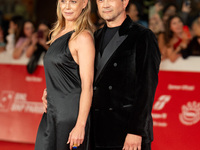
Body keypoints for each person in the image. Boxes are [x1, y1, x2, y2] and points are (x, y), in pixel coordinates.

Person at [43, 0, 160, 149]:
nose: (105, 4)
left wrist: (136, 131)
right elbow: (80, 81)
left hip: (126, 132)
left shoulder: (143, 36)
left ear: (125, 2)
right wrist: (52, 93)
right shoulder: (94, 36)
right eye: (100, 0)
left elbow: (146, 89)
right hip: (96, 130)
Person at [35, 0, 95, 150]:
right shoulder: (57, 33)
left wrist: (80, 125)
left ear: (84, 4)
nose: (67, 6)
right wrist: (49, 90)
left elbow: (87, 86)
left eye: (73, 1)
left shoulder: (83, 38)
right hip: (52, 113)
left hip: (70, 117)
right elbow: (62, 72)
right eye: (63, 1)